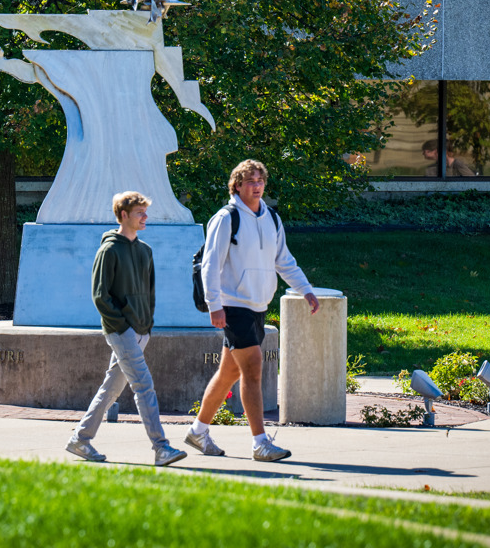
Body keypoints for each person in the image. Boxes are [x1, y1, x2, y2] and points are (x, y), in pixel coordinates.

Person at [186, 160, 320, 462]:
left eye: (260, 180)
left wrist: (306, 289)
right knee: (254, 367)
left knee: (227, 374)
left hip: (258, 305)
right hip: (233, 305)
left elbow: (283, 259)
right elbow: (211, 265)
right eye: (249, 181)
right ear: (237, 186)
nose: (256, 185)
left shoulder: (271, 218)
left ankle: (197, 431)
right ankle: (260, 442)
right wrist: (215, 306)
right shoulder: (226, 218)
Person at [66, 191, 187, 466]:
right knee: (144, 385)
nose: (145, 218)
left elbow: (150, 291)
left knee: (111, 388)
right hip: (121, 332)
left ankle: (80, 439)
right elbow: (100, 296)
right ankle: (161, 447)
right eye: (139, 213)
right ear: (123, 215)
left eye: (145, 212)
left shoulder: (146, 251)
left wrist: (146, 325)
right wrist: (124, 328)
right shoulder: (108, 250)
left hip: (141, 330)